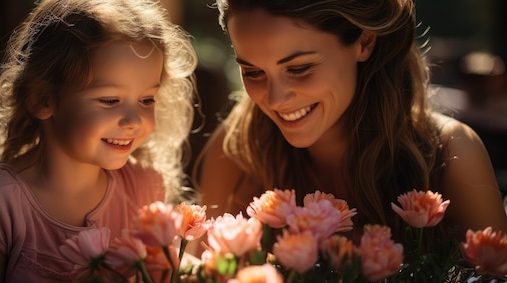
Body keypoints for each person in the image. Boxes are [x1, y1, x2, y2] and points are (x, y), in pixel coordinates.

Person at [192, 0, 507, 254]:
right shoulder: (237, 151)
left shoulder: (450, 153)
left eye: (299, 68)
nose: (275, 99)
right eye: (254, 72)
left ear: (364, 41)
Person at [0, 0, 198, 283]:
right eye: (110, 100)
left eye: (147, 99)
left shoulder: (143, 189)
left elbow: (162, 278)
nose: (134, 120)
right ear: (42, 100)